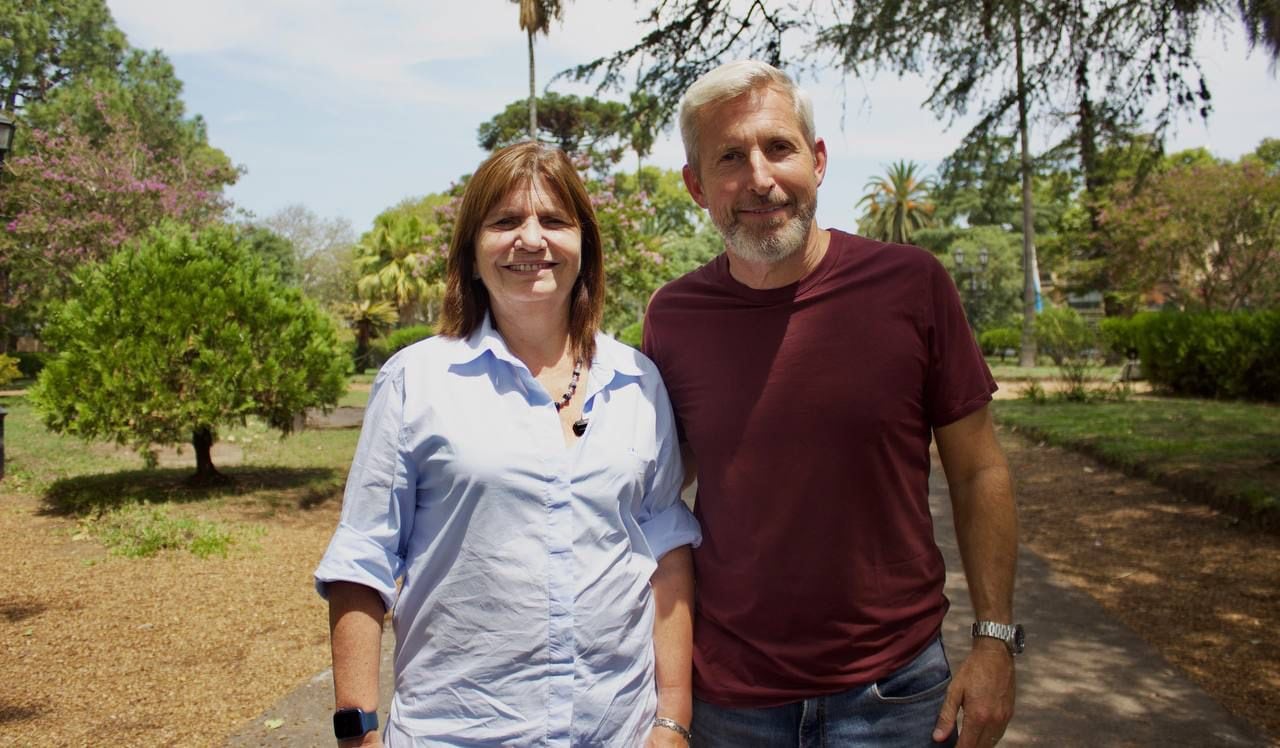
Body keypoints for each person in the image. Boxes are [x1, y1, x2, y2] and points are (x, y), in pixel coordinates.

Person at [642, 60, 1021, 748]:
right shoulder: (673, 316)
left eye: (779, 148)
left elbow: (978, 471)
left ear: (817, 161)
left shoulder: (911, 285)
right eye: (730, 156)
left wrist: (995, 641)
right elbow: (663, 479)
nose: (759, 177)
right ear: (696, 185)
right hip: (728, 700)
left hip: (895, 692)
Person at [315, 142, 701, 747]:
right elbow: (362, 562)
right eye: (504, 222)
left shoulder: (637, 383)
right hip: (458, 733)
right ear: (471, 253)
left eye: (553, 221)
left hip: (618, 733)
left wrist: (672, 718)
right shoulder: (416, 382)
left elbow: (666, 550)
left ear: (585, 247)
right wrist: (357, 733)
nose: (530, 239)